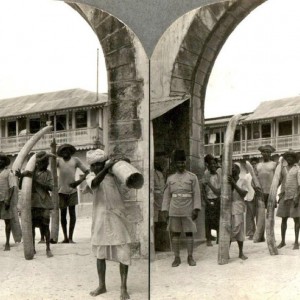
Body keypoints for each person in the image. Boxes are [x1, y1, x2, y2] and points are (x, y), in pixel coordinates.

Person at [85, 149, 132, 300]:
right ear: (91, 167)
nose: (97, 167)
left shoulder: (113, 175)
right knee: (100, 252)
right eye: (95, 165)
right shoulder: (91, 176)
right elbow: (95, 183)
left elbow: (127, 166)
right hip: (100, 218)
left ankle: (123, 287)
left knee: (123, 251)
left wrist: (119, 160)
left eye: (100, 164)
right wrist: (106, 168)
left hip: (117, 216)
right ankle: (102, 285)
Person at [162, 149, 201, 267]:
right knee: (175, 234)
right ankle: (176, 258)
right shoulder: (170, 178)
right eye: (178, 163)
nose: (181, 165)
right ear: (175, 164)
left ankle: (190, 257)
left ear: (186, 163)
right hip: (174, 209)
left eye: (183, 162)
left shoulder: (192, 177)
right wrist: (165, 210)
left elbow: (197, 193)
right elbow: (166, 195)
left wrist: (196, 208)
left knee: (189, 233)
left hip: (188, 208)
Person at [17, 151, 55, 257]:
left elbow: (50, 187)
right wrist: (22, 176)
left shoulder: (48, 173)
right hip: (32, 203)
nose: (46, 163)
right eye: (44, 161)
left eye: (47, 161)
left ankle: (48, 248)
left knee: (46, 226)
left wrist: (34, 180)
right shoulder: (29, 172)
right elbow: (21, 186)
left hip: (45, 203)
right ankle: (32, 247)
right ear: (38, 163)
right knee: (32, 227)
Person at [57, 143, 89, 243]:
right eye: (63, 151)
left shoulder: (75, 160)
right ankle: (65, 237)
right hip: (61, 191)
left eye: (67, 150)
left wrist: (78, 182)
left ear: (70, 151)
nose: (65, 152)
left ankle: (71, 237)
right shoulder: (58, 161)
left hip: (72, 191)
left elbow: (87, 171)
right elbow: (52, 164)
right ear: (61, 153)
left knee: (72, 214)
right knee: (62, 215)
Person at [276, 150, 300, 250]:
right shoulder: (283, 168)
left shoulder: (298, 169)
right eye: (288, 157)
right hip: (284, 196)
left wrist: (297, 197)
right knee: (283, 219)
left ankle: (296, 242)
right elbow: (279, 181)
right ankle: (282, 241)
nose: (289, 158)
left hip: (294, 196)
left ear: (294, 159)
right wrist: (274, 193)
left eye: (291, 157)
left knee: (297, 220)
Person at [255, 145, 277, 242]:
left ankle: (271, 236)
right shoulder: (258, 165)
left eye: (268, 152)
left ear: (270, 153)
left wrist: (275, 188)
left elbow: (278, 178)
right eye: (264, 152)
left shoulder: (274, 164)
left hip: (270, 193)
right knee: (260, 216)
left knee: (270, 216)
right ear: (261, 153)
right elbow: (254, 179)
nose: (266, 154)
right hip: (260, 193)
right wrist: (256, 188)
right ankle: (260, 236)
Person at [228, 163, 248, 260]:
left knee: (239, 230)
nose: (233, 171)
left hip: (238, 207)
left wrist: (234, 184)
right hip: (228, 208)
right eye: (231, 170)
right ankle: (225, 252)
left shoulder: (243, 180)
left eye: (235, 170)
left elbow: (244, 193)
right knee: (228, 230)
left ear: (239, 171)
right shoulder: (227, 181)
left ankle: (241, 253)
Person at [203, 155, 221, 246]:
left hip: (217, 199)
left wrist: (209, 184)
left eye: (215, 164)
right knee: (208, 221)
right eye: (211, 164)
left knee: (217, 219)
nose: (213, 165)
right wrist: (207, 201)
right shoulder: (206, 174)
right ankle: (208, 239)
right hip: (208, 199)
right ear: (208, 166)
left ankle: (218, 238)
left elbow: (218, 191)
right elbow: (203, 190)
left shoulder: (218, 174)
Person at [0, 153, 17, 251]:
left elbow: (12, 187)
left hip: (5, 200)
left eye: (2, 160)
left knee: (7, 222)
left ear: (5, 162)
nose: (0, 161)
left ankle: (7, 243)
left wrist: (8, 200)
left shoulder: (9, 173)